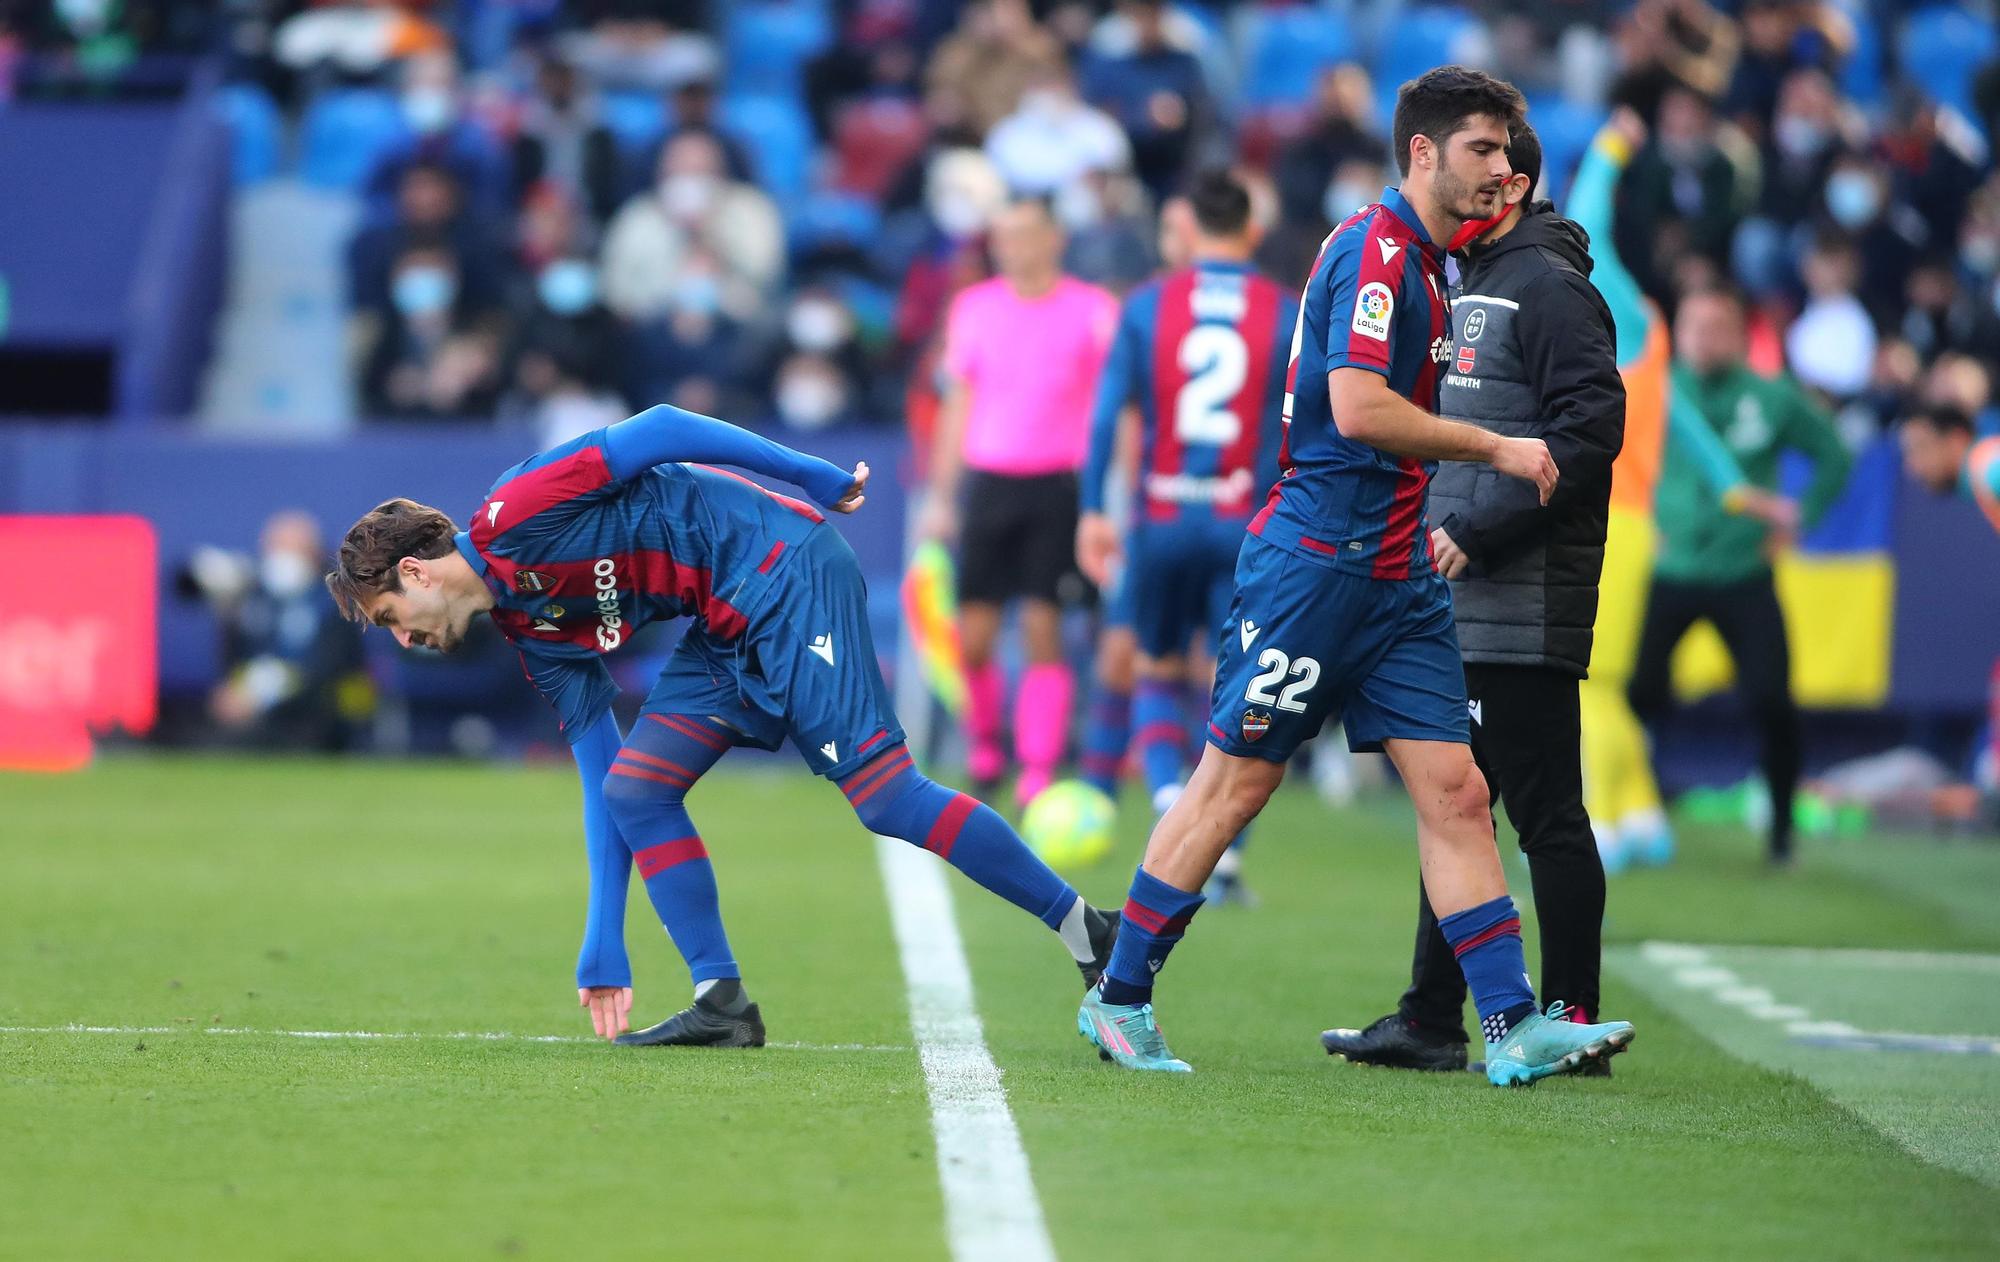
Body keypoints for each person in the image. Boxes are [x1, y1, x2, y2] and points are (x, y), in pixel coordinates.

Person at [1074, 66, 1634, 1082]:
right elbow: (1357, 407)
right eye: (1480, 149)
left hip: (1398, 578)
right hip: (1317, 567)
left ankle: (1510, 1024)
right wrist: (1498, 449)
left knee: (1458, 792)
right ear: (1419, 152)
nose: (1500, 169)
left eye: (1507, 152)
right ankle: (1117, 995)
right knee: (1234, 785)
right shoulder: (1376, 251)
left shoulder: (1432, 261)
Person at [326, 405, 1119, 1046]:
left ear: (416, 572)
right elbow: (602, 784)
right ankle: (721, 1002)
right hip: (725, 622)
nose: (405, 639)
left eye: (394, 617)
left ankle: (1090, 932)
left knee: (886, 799)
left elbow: (664, 428)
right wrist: (605, 934)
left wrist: (809, 474)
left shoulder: (518, 508)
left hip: (785, 565)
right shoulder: (534, 632)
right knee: (637, 790)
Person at [1318, 123, 1629, 1073]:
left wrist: (1479, 530)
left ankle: (1571, 1011)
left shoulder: (1553, 290)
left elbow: (1590, 435)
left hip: (1522, 599)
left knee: (1546, 818)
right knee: (1454, 801)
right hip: (1454, 595)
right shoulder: (1464, 279)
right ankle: (1430, 1017)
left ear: (1515, 183)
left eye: (1486, 173)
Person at [1077, 170, 1295, 905]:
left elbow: (1108, 415)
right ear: (1253, 230)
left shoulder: (1147, 306)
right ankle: (1225, 855)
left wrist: (1091, 511)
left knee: (1155, 661)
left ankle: (1171, 792)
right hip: (1248, 524)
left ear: (1191, 231)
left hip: (1163, 519)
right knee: (1233, 680)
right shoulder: (1285, 310)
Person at [1628, 285, 1853, 867]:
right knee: (1637, 693)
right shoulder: (1655, 389)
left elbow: (1834, 453)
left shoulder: (1771, 398)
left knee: (1773, 700)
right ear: (1677, 332)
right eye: (1692, 327)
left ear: (1737, 334)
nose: (1703, 339)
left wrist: (1802, 518)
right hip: (1672, 566)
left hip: (1743, 571)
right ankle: (1634, 804)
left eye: (1715, 327)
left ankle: (1781, 830)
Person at [919, 195, 1119, 805]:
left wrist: (1107, 497)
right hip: (989, 481)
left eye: (1024, 235)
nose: (1011, 248)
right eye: (1001, 237)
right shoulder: (974, 309)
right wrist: (942, 493)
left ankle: (1037, 767)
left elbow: (1114, 409)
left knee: (1042, 625)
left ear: (1054, 239)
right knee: (973, 634)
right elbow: (957, 405)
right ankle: (985, 744)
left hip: (1059, 483)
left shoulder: (1093, 311)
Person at [1077, 194, 1200, 802]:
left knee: (1193, 662)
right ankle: (1101, 798)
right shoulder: (1152, 307)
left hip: (1176, 511)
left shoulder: (1152, 311)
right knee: (1124, 651)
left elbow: (1113, 417)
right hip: (1164, 506)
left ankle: (1185, 808)